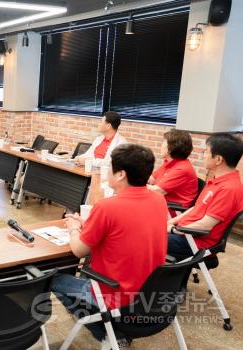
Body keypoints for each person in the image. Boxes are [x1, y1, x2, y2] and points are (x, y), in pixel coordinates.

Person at [52, 144, 167, 347]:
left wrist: (73, 227)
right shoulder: (158, 199)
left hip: (116, 295)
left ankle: (109, 332)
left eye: (110, 167)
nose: (107, 171)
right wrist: (87, 225)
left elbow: (78, 250)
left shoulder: (108, 207)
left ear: (121, 174)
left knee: (54, 280)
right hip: (151, 293)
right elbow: (126, 229)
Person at [167, 133, 243, 261]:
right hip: (186, 234)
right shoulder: (217, 181)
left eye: (206, 151)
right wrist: (170, 222)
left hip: (195, 242)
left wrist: (173, 229)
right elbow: (196, 208)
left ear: (218, 159)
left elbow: (204, 225)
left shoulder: (229, 189)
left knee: (141, 237)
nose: (204, 155)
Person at [147, 129, 198, 214]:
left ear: (170, 149)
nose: (161, 146)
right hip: (162, 204)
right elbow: (151, 179)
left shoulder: (182, 169)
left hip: (173, 210)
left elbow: (157, 191)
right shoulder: (169, 163)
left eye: (163, 143)